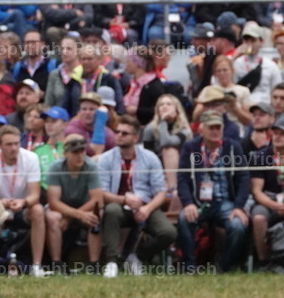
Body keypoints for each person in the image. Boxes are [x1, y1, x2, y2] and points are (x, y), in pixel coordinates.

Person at [96, 116, 176, 276]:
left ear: (135, 137)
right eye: (117, 132)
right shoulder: (105, 159)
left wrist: (147, 209)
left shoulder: (150, 158)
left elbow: (161, 191)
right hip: (118, 204)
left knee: (169, 232)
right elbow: (101, 193)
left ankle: (135, 256)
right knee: (111, 210)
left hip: (145, 205)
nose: (119, 135)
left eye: (124, 133)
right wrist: (124, 199)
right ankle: (111, 261)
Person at [176, 111, 250, 273]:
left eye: (218, 127)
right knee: (184, 218)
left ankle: (223, 266)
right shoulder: (191, 148)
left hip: (225, 202)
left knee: (238, 225)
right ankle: (190, 266)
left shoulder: (232, 147)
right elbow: (182, 178)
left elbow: (244, 177)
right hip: (199, 202)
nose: (216, 131)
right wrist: (188, 203)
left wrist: (238, 206)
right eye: (211, 128)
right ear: (201, 129)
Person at [0, 125, 48, 277]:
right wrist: (0, 202)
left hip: (22, 206)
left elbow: (35, 194)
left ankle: (36, 265)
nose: (14, 148)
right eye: (9, 144)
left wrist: (23, 202)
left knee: (38, 210)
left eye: (17, 143)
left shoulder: (31, 158)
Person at [44, 135, 104, 275]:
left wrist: (74, 216)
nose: (79, 156)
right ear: (65, 154)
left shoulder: (91, 167)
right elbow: (53, 202)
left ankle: (94, 264)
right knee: (53, 218)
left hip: (85, 207)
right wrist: (77, 215)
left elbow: (97, 200)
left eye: (82, 151)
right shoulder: (55, 168)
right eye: (75, 152)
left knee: (97, 216)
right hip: (62, 209)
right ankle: (56, 263)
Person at [248, 114, 284, 268]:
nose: (278, 136)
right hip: (267, 200)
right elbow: (257, 191)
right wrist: (275, 205)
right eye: (275, 132)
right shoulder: (260, 157)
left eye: (282, 134)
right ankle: (264, 262)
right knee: (258, 218)